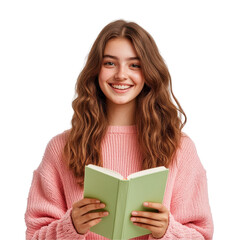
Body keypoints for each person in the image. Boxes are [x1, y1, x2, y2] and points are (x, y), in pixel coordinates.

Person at [25, 20, 214, 239]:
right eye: (110, 63)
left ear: (148, 73)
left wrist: (167, 230)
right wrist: (71, 226)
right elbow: (34, 235)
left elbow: (201, 235)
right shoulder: (60, 148)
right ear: (96, 69)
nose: (121, 75)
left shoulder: (179, 148)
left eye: (134, 65)